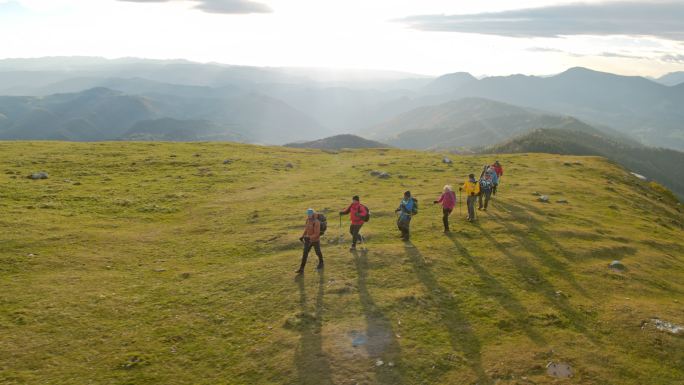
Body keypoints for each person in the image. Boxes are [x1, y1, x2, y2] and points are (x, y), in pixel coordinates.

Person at [295, 208, 324, 274]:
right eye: (308, 214)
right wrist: (302, 236)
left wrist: (309, 237)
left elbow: (317, 234)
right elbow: (306, 229)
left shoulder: (316, 222)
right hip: (308, 241)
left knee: (318, 252)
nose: (308, 216)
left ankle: (321, 262)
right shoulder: (307, 220)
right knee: (305, 254)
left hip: (315, 241)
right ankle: (301, 269)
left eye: (310, 214)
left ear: (313, 214)